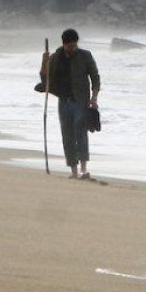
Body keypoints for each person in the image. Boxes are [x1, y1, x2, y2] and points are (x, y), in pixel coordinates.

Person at [40, 28, 100, 179]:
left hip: (81, 101)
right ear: (64, 44)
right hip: (63, 102)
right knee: (67, 136)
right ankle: (73, 170)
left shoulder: (85, 56)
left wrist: (94, 98)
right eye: (69, 46)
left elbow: (95, 77)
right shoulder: (55, 58)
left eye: (74, 45)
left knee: (80, 133)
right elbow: (44, 79)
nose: (72, 49)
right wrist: (44, 60)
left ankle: (83, 169)